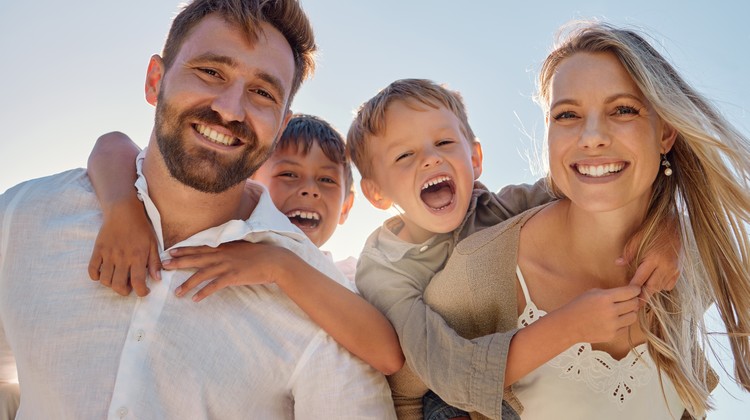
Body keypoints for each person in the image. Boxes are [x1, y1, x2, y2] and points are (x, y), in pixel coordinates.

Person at [0, 0, 396, 418]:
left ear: (280, 126)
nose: (230, 108)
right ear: (156, 80)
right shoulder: (24, 217)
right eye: (210, 72)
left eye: (262, 92)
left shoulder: (323, 307)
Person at [409, 22, 750, 419]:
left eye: (623, 109)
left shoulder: (696, 257)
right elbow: (404, 395)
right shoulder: (480, 270)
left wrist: (675, 225)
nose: (591, 137)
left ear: (666, 133)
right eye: (567, 114)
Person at [347, 78, 681, 419]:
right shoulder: (385, 268)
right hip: (443, 388)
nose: (431, 159)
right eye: (405, 155)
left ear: (475, 159)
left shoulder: (499, 208)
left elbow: (593, 185)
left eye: (444, 142)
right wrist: (571, 326)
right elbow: (443, 367)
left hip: (510, 358)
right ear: (376, 193)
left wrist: (668, 228)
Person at [85, 114, 401, 372]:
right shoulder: (222, 232)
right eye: (289, 174)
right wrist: (122, 209)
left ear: (346, 206)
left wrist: (278, 264)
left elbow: (387, 355)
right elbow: (112, 144)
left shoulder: (343, 274)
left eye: (327, 180)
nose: (309, 191)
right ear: (248, 181)